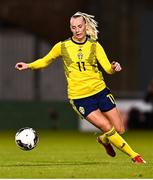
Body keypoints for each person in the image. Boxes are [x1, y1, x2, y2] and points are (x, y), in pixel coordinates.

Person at [15, 12, 146, 164]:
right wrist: (28, 65)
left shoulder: (94, 46)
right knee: (106, 126)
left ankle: (103, 140)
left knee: (119, 129)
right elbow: (45, 61)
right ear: (70, 28)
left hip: (100, 91)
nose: (77, 30)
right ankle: (135, 156)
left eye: (79, 26)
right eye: (73, 27)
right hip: (80, 97)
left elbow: (107, 68)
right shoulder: (62, 46)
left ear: (85, 26)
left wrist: (114, 67)